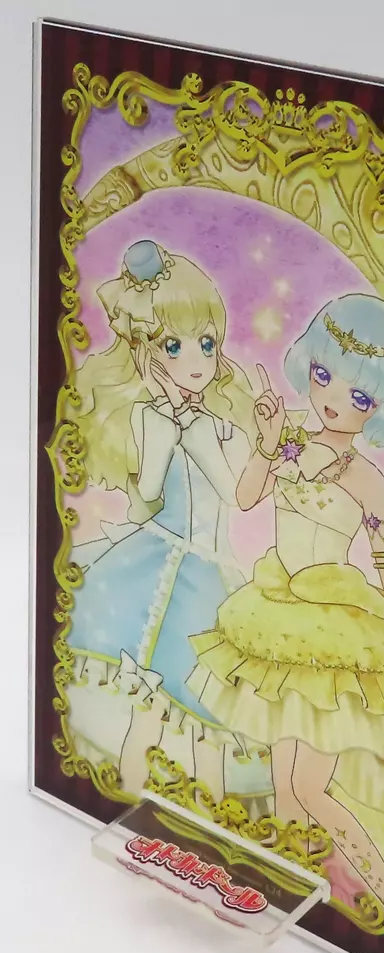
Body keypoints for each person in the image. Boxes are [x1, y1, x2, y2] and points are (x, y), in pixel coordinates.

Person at [187, 293, 384, 919]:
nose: (332, 399)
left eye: (360, 396)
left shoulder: (367, 481)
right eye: (323, 374)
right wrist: (266, 443)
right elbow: (246, 498)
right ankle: (286, 888)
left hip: (334, 633)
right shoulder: (289, 441)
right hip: (277, 619)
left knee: (309, 786)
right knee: (285, 785)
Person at [67, 240, 271, 805]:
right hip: (159, 570)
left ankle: (212, 826)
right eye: (173, 345)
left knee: (205, 724)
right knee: (150, 714)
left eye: (207, 342)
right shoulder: (152, 419)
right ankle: (124, 805)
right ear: (145, 352)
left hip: (208, 578)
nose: (197, 361)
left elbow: (239, 495)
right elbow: (147, 501)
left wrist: (263, 445)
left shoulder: (216, 423)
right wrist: (161, 431)